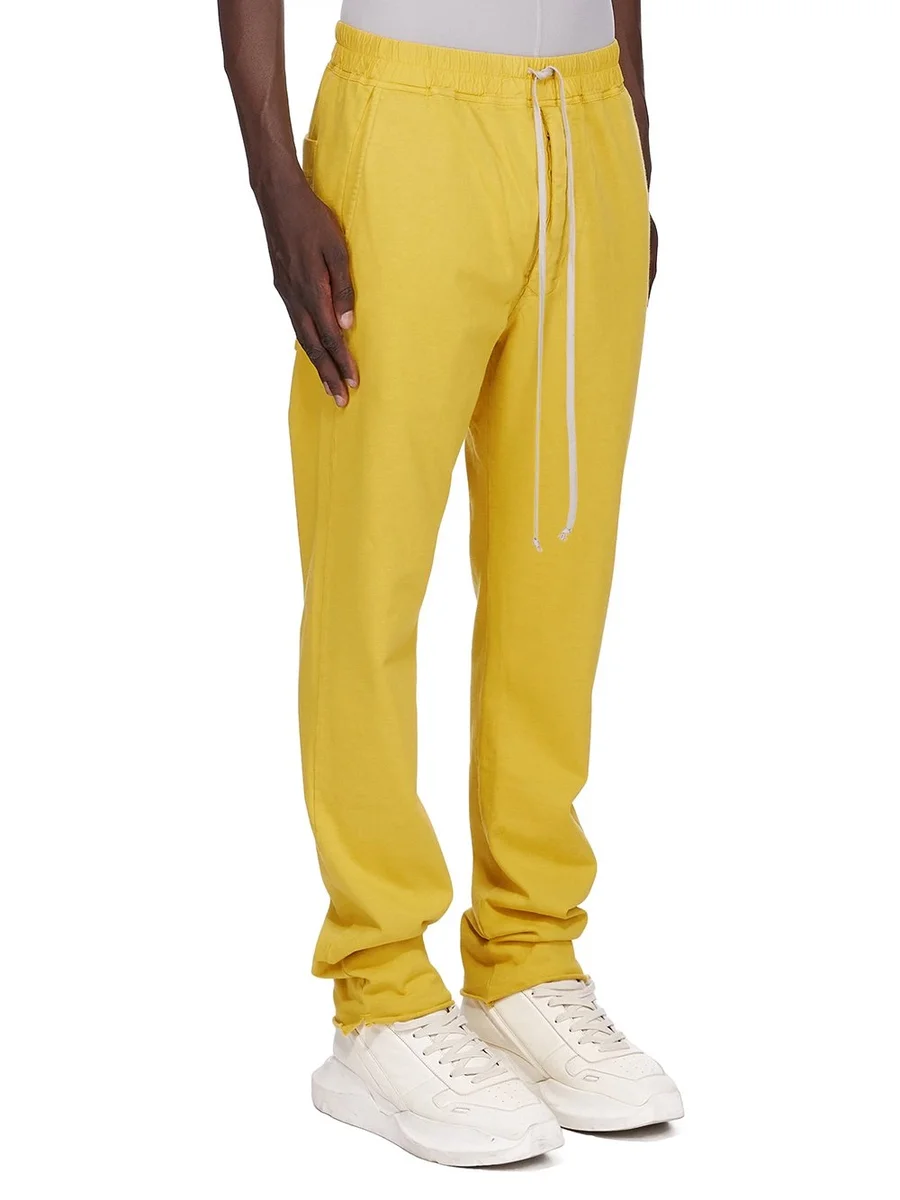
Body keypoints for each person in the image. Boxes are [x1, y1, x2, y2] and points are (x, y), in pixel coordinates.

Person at [218, 0, 682, 1165]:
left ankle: (527, 958)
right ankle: (380, 993)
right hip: (407, 120)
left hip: (586, 124)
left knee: (557, 577)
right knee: (367, 577)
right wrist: (275, 178)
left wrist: (633, 128)